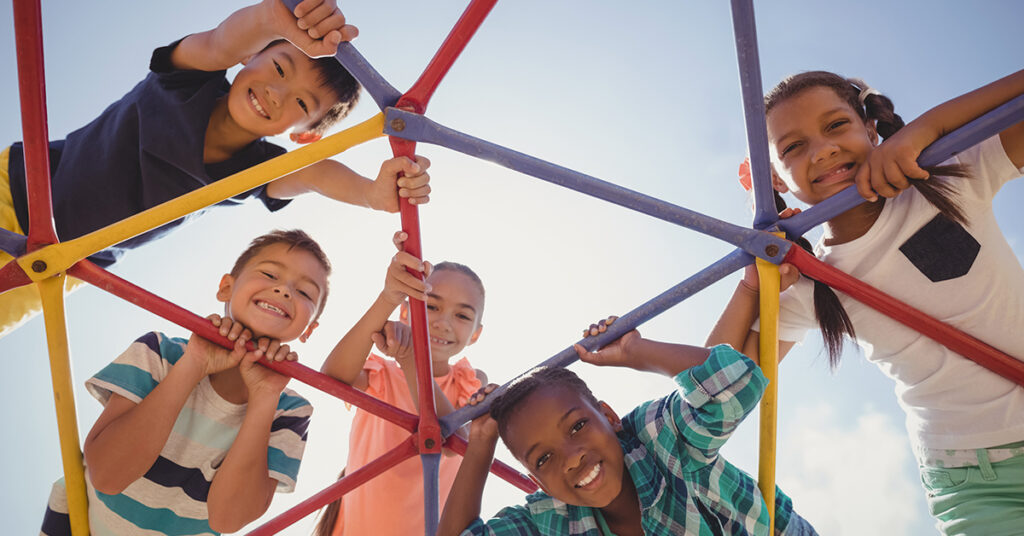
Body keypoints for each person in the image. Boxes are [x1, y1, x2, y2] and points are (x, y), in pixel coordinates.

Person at [0, 0, 432, 338]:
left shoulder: (253, 172)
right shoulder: (185, 80)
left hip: (56, 264)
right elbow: (218, 42)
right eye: (279, 67)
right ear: (249, 58)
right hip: (14, 189)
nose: (276, 93)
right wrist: (272, 18)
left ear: (304, 134)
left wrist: (373, 195)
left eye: (301, 104)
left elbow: (317, 174)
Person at [713, 69, 1024, 534]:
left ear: (871, 129)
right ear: (772, 179)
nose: (823, 150)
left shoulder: (948, 177)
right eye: (793, 148)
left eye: (836, 125)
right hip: (971, 478)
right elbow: (717, 394)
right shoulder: (808, 284)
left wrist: (927, 129)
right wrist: (751, 287)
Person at [39, 229, 332, 535]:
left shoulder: (290, 409)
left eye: (305, 293)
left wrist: (264, 397)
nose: (284, 290)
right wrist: (193, 365)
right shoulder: (161, 352)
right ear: (226, 288)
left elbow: (228, 520)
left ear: (309, 329)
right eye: (270, 274)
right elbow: (107, 476)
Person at [437, 316, 817, 536]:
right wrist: (482, 442)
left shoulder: (659, 437)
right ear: (537, 483)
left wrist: (637, 351)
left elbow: (738, 383)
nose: (570, 460)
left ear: (611, 416)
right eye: (544, 459)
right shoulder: (552, 516)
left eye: (578, 426)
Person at [315, 231, 489, 536]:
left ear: (475, 334)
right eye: (431, 306)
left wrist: (411, 359)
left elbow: (453, 441)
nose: (443, 322)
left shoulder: (470, 382)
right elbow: (331, 376)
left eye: (462, 315)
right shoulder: (383, 375)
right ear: (406, 311)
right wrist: (389, 297)